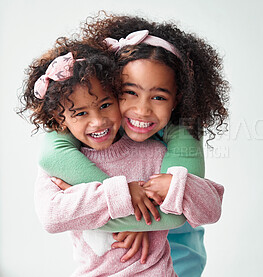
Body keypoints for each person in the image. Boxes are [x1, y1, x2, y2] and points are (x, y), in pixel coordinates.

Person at [38, 13, 229, 276]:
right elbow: (51, 157)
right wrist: (125, 200)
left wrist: (141, 224)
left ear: (177, 98)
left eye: (159, 96)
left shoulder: (179, 132)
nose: (141, 109)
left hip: (176, 251)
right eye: (129, 92)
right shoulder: (83, 131)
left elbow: (181, 209)